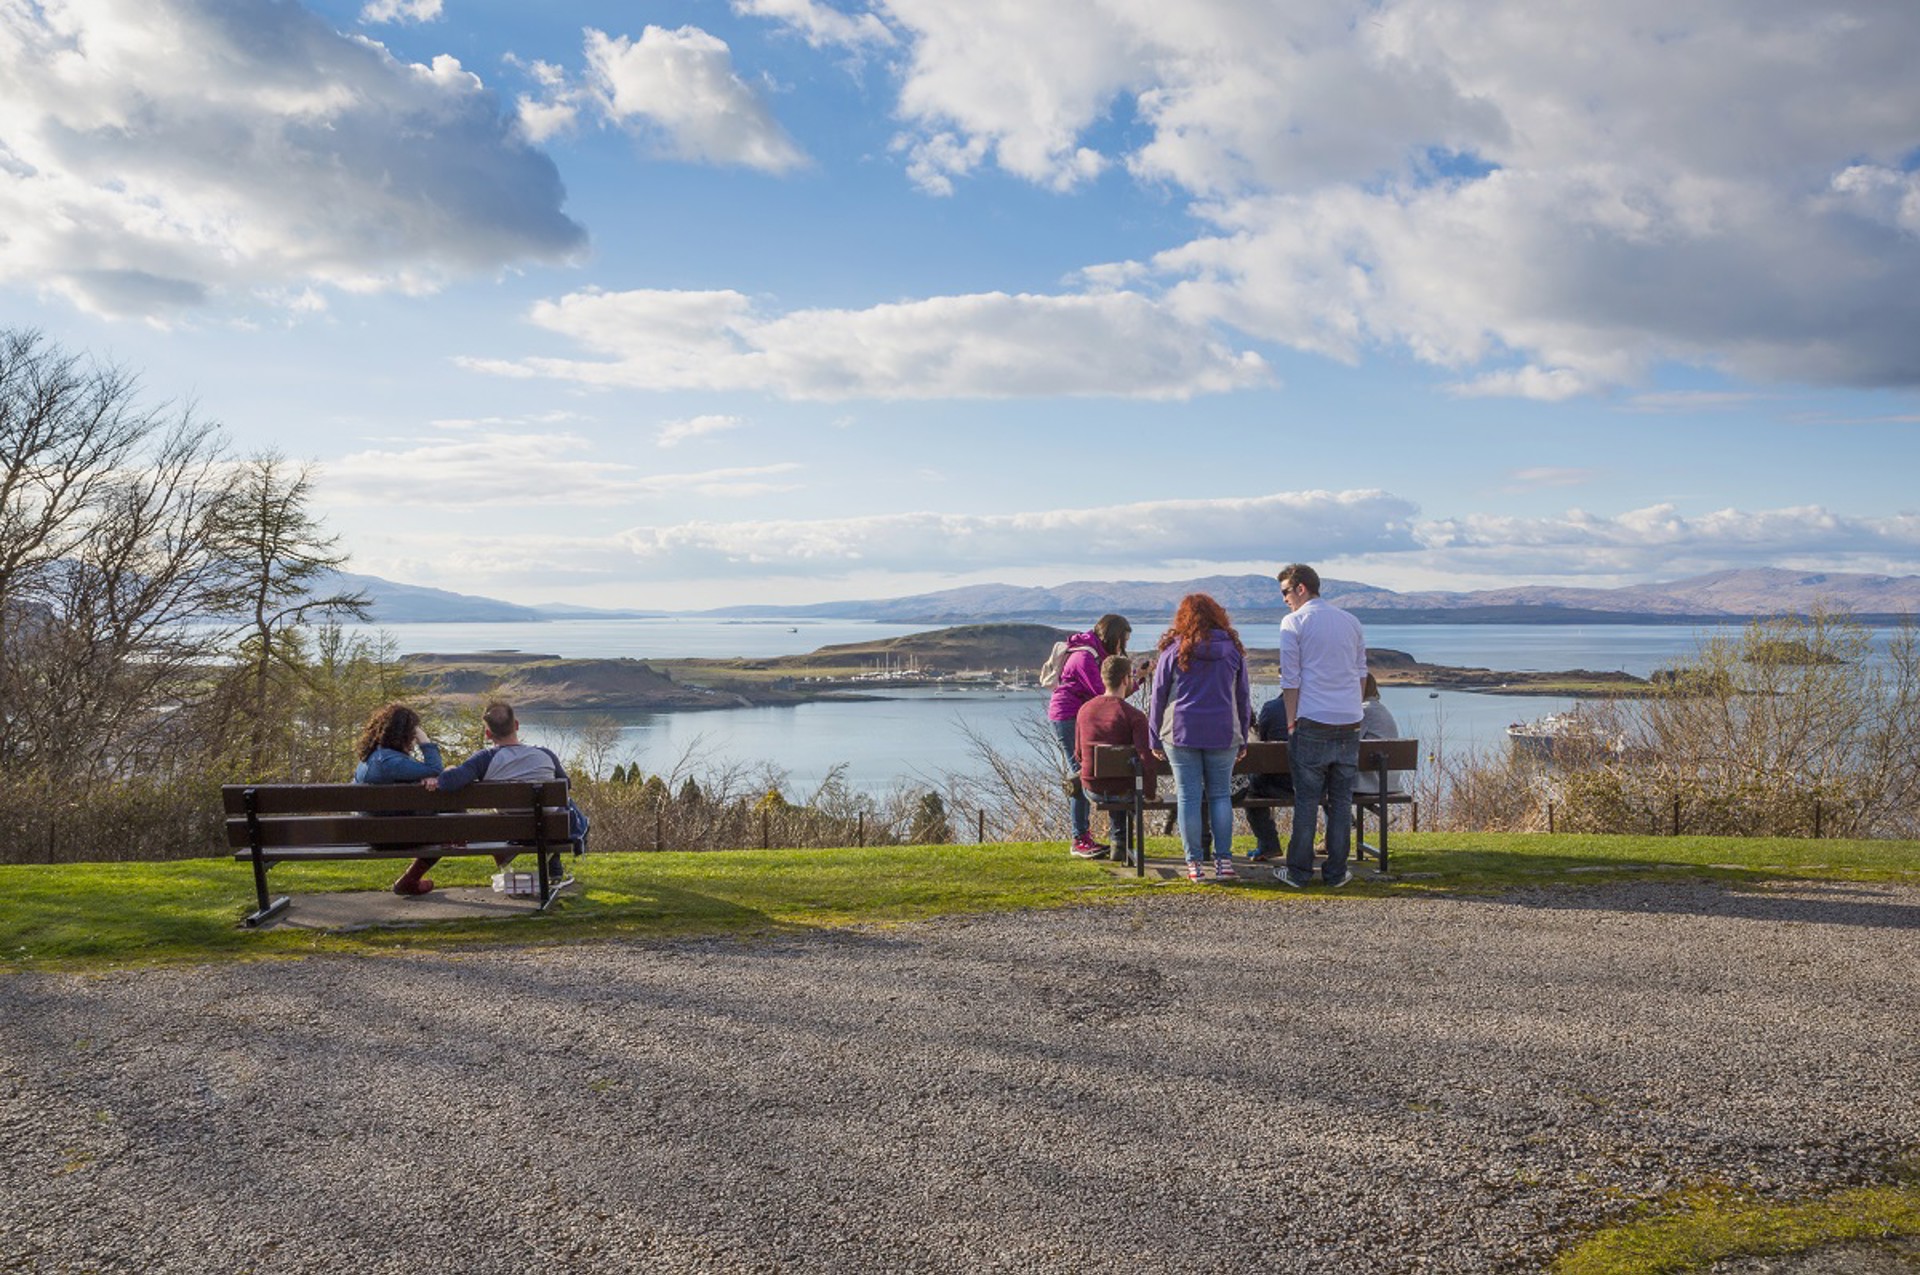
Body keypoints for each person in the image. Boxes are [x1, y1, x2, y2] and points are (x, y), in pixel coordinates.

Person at [1274, 563, 1368, 889]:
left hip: (1312, 718)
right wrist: (1352, 707)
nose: (1284, 599)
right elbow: (1360, 673)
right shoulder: (1350, 621)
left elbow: (1291, 678)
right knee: (1341, 802)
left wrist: (1290, 720)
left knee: (1307, 800)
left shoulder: (1294, 622)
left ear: (1301, 588)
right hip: (1350, 720)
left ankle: (1299, 872)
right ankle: (1336, 872)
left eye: (1286, 591)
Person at [1148, 593, 1251, 882]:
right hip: (1223, 732)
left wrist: (1154, 736)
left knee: (1188, 797)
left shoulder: (1173, 651)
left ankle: (1194, 864)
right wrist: (1242, 735)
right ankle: (1224, 861)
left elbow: (1157, 697)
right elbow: (1242, 698)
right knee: (1221, 796)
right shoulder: (1232, 650)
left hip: (1180, 733)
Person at [423, 700, 579, 881]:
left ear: (488, 734)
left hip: (510, 832)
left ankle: (546, 866)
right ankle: (554, 869)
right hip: (549, 831)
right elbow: (566, 785)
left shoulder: (485, 759)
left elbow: (450, 782)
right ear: (516, 725)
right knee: (558, 807)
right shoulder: (545, 754)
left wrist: (449, 769)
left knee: (538, 812)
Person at [1046, 613, 1133, 857]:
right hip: (1068, 717)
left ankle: (1083, 837)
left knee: (1084, 771)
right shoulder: (1085, 657)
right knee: (1081, 774)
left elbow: (1111, 694)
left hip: (1078, 715)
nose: (1122, 647)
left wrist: (1133, 681)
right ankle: (1079, 838)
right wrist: (1130, 683)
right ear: (1114, 637)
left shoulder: (1094, 653)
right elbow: (1105, 694)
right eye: (1122, 641)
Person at [351, 703, 443, 896]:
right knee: (449, 819)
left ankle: (409, 881)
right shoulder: (392, 763)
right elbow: (435, 768)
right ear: (406, 735)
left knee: (445, 820)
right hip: (398, 836)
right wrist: (423, 738)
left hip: (373, 836)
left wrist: (423, 776)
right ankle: (410, 879)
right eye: (412, 734)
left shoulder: (367, 760)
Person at [1073, 655, 1157, 861]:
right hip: (1122, 791)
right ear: (1125, 680)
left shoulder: (1085, 710)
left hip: (1091, 788)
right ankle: (1119, 842)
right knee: (1125, 784)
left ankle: (1119, 843)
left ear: (1104, 679)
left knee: (1116, 780)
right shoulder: (1134, 715)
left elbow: (1078, 754)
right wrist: (1150, 792)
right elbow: (1146, 757)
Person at [1241, 691, 1294, 863]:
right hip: (1313, 782)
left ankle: (1269, 844)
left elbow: (1261, 742)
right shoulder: (1316, 706)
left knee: (1251, 792)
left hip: (1277, 783)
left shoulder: (1271, 708)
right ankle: (1307, 846)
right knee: (1326, 793)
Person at [1353, 673, 1410, 797]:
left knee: (1331, 785)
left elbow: (1349, 743)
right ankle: (1344, 817)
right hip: (1390, 782)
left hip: (1370, 783)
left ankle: (1340, 817)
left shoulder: (1363, 711)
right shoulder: (1380, 709)